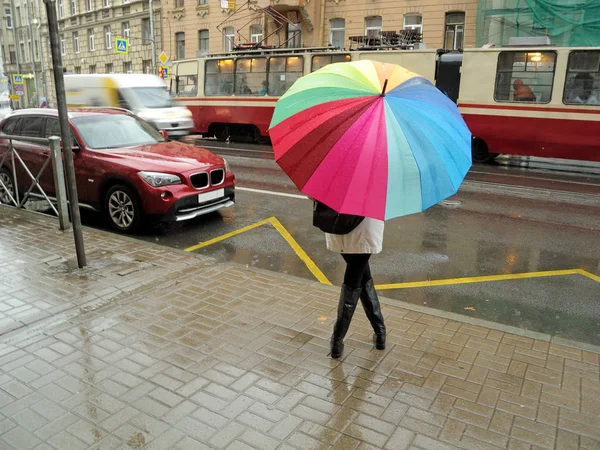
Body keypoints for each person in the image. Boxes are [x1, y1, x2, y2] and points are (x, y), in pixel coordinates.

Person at [326, 214, 386, 359]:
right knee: (358, 273)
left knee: (356, 273)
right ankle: (379, 333)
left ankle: (337, 340)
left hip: (339, 220)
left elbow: (314, 195)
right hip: (366, 225)